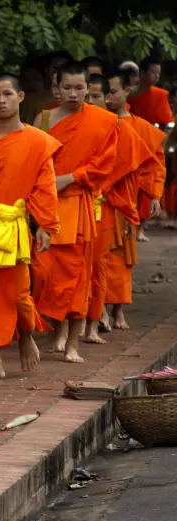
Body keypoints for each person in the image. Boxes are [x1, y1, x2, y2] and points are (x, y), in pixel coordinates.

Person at [0, 73, 59, 380]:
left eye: (7, 94)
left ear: (20, 97)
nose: (2, 101)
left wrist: (44, 225)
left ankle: (26, 334)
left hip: (16, 224)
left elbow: (44, 186)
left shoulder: (36, 141)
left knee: (20, 293)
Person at [32, 62, 118, 363]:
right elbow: (31, 158)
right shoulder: (42, 119)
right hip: (45, 206)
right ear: (57, 88)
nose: (73, 94)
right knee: (42, 272)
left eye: (79, 88)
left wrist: (69, 178)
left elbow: (105, 165)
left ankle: (72, 345)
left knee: (79, 276)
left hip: (78, 204)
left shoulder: (103, 122)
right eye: (66, 87)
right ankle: (54, 327)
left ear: (87, 88)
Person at [81, 74, 144, 344]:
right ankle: (81, 320)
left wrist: (132, 210)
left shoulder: (122, 128)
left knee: (104, 264)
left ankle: (102, 316)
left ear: (108, 97)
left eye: (97, 96)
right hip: (79, 204)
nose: (92, 101)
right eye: (88, 96)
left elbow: (135, 168)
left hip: (111, 205)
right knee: (77, 266)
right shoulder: (73, 125)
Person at [100, 70, 165, 330]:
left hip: (126, 200)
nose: (108, 97)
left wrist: (155, 195)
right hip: (99, 199)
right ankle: (100, 311)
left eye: (113, 91)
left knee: (122, 258)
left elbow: (155, 165)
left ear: (127, 91)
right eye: (105, 93)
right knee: (100, 257)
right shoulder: (99, 122)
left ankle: (118, 310)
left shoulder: (142, 128)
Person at [129, 56, 173, 129]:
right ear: (142, 73)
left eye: (158, 73)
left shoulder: (161, 95)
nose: (157, 76)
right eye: (153, 72)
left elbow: (166, 122)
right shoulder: (128, 94)